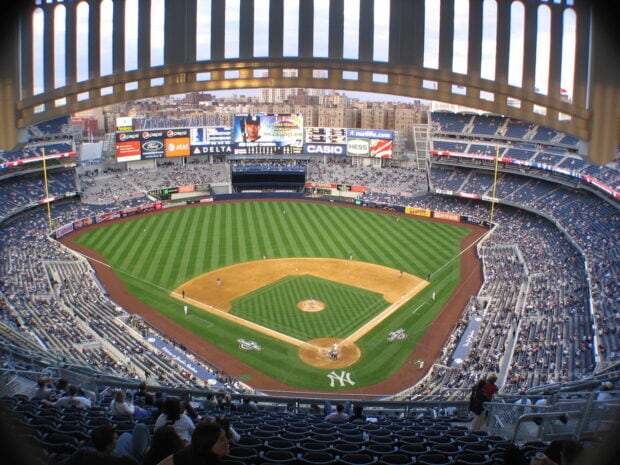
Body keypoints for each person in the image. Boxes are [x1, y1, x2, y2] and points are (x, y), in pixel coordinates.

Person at [156, 421, 230, 465]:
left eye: (225, 437)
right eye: (222, 440)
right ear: (207, 445)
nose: (227, 441)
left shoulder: (187, 453)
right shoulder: (184, 455)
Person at [63, 422, 139, 465]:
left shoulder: (83, 453)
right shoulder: (125, 460)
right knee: (127, 435)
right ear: (109, 446)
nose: (117, 440)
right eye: (115, 439)